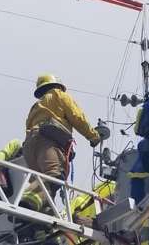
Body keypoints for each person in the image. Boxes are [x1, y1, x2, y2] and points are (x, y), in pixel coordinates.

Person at [20, 74, 101, 213]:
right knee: (54, 176)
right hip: (48, 140)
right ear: (57, 85)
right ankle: (26, 203)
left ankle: (40, 221)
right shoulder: (58, 95)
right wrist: (93, 136)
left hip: (30, 147)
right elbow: (77, 116)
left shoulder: (36, 107)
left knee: (41, 183)